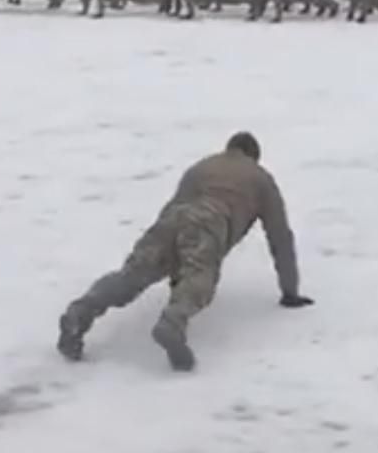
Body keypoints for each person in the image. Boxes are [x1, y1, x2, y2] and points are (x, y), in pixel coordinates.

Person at [56, 131, 312, 372]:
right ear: (254, 156)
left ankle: (81, 311)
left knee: (132, 275)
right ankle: (173, 322)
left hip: (172, 218)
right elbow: (280, 238)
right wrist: (289, 292)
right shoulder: (261, 179)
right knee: (200, 279)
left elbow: (176, 204)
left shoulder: (201, 167)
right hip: (209, 221)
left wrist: (170, 261)